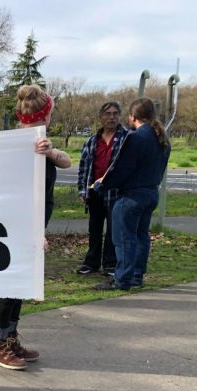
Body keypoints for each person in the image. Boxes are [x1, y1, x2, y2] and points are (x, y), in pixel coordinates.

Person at [0, 84, 71, 370]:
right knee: (10, 284)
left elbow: (66, 161)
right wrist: (34, 231)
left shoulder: (41, 144)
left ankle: (9, 338)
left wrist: (51, 154)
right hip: (18, 225)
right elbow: (17, 194)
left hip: (31, 223)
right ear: (46, 115)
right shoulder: (18, 146)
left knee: (20, 283)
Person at [93, 97, 171, 291]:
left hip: (131, 196)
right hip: (151, 192)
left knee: (123, 238)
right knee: (141, 236)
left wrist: (102, 185)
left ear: (132, 116)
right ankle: (137, 275)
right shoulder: (162, 139)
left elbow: (123, 168)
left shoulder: (135, 138)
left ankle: (122, 279)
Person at [76, 101, 128, 276]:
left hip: (116, 192)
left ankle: (110, 264)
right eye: (108, 114)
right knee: (95, 229)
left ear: (120, 116)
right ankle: (91, 263)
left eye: (115, 114)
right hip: (94, 192)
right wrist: (82, 190)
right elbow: (83, 166)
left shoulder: (127, 138)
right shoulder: (92, 141)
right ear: (101, 117)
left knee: (114, 229)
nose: (111, 117)